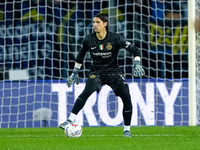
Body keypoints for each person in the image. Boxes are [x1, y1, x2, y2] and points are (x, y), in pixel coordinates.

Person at [59, 13, 145, 137]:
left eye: (98, 22)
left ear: (105, 24)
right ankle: (70, 119)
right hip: (97, 72)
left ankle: (127, 130)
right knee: (87, 90)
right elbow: (80, 57)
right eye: (94, 22)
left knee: (126, 96)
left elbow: (135, 50)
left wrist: (137, 63)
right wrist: (74, 73)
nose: (95, 24)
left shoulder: (115, 38)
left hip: (114, 72)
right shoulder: (88, 39)